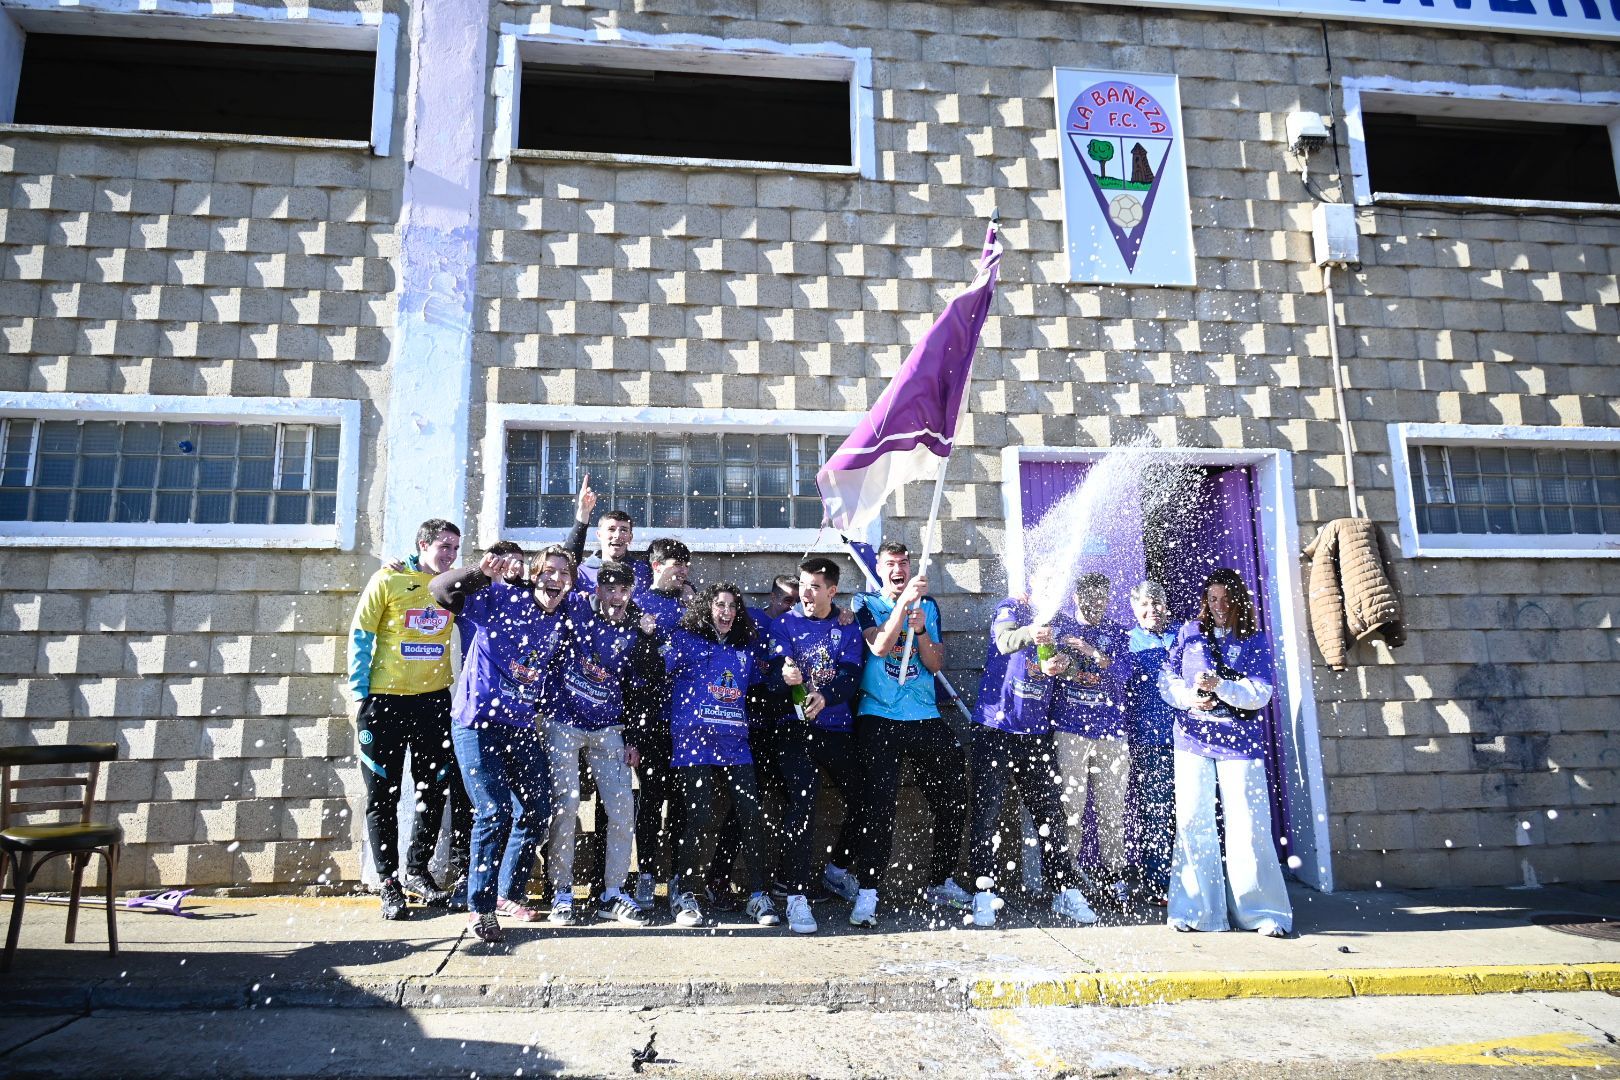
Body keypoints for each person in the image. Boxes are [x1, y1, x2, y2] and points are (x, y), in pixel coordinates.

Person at [429, 544, 577, 943]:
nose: (555, 579)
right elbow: (440, 590)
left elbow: (570, 567)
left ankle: (506, 893)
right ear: (532, 574)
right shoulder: (500, 598)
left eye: (563, 574)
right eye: (547, 572)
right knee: (492, 811)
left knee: (537, 806)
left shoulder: (562, 613)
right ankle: (479, 908)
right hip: (478, 724)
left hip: (521, 727)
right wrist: (479, 572)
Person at [1158, 568, 1291, 937]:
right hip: (1192, 740)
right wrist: (1189, 697)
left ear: (1238, 601)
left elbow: (1261, 693)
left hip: (1239, 744)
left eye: (1226, 599)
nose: (1219, 606)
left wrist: (1223, 687)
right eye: (1212, 599)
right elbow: (1166, 680)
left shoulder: (1254, 639)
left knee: (1247, 825)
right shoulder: (1189, 634)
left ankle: (1262, 913)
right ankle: (1199, 913)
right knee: (1191, 821)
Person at [846, 542, 972, 929]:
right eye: (891, 564)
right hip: (878, 715)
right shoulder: (863, 603)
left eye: (904, 563)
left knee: (953, 796)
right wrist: (902, 610)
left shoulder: (929, 606)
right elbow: (881, 647)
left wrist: (919, 631)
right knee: (877, 807)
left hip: (923, 715)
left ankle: (940, 881)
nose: (898, 569)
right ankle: (867, 892)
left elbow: (934, 664)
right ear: (880, 569)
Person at [346, 518, 462, 919]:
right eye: (443, 546)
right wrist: (361, 690)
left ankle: (417, 871)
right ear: (422, 543)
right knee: (383, 796)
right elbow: (361, 631)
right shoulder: (389, 579)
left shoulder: (455, 588)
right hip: (385, 705)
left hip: (433, 703)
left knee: (433, 791)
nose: (449, 554)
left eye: (454, 549)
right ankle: (388, 881)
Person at [542, 561, 661, 927]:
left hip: (609, 727)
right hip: (564, 722)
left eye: (623, 589)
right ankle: (562, 892)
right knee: (567, 803)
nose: (616, 596)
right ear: (597, 590)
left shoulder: (639, 630)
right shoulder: (577, 608)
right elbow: (558, 568)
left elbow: (643, 687)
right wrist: (581, 521)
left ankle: (613, 892)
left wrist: (635, 738)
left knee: (623, 807)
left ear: (631, 592)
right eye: (609, 588)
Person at [966, 595, 1097, 927]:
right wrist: (1032, 632)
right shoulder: (1011, 608)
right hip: (995, 727)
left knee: (1051, 814)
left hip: (1036, 733)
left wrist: (1065, 666)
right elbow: (1006, 640)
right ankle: (983, 892)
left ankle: (1063, 890)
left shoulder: (1063, 620)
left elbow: (1076, 669)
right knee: (988, 811)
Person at [664, 582, 781, 929]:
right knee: (698, 815)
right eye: (719, 605)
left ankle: (759, 895)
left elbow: (769, 676)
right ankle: (684, 891)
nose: (727, 611)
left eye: (732, 606)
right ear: (706, 609)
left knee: (751, 814)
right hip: (694, 741)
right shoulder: (685, 641)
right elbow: (653, 671)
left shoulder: (745, 650)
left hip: (734, 742)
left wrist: (786, 671)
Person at [761, 557, 868, 934]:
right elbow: (773, 680)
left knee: (866, 797)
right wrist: (783, 676)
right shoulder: (784, 624)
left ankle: (837, 872)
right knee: (801, 804)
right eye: (804, 585)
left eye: (815, 587)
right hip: (793, 729)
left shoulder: (847, 626)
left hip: (837, 728)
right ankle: (796, 896)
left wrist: (827, 696)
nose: (807, 593)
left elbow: (852, 676)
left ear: (832, 591)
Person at [1049, 573, 1132, 907]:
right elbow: (1047, 667)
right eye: (1089, 598)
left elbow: (1124, 673)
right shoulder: (1060, 628)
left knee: (1113, 810)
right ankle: (1070, 877)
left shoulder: (1117, 632)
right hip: (1069, 730)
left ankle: (1115, 877)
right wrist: (1061, 664)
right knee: (1072, 809)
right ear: (1077, 598)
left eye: (1102, 598)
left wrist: (1091, 651)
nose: (1096, 604)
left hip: (1111, 733)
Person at [625, 537, 694, 908]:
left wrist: (695, 607)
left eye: (685, 565)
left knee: (683, 802)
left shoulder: (693, 604)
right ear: (655, 566)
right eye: (674, 564)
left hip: (687, 719)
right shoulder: (638, 603)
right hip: (650, 717)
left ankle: (680, 880)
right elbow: (630, 666)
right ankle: (647, 875)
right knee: (651, 799)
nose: (681, 571)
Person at [1125, 580, 1180, 904]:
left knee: (1191, 812)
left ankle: (1194, 879)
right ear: (1134, 609)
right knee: (1156, 812)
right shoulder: (1129, 642)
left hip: (1188, 740)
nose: (1152, 610)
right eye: (1145, 605)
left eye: (1157, 603)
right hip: (1149, 740)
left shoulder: (1181, 638)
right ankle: (1157, 884)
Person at [565, 474, 653, 595]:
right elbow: (565, 560)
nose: (617, 535)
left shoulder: (645, 572)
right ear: (599, 535)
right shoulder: (582, 573)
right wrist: (583, 513)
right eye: (611, 529)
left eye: (623, 530)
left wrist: (686, 586)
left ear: (630, 538)